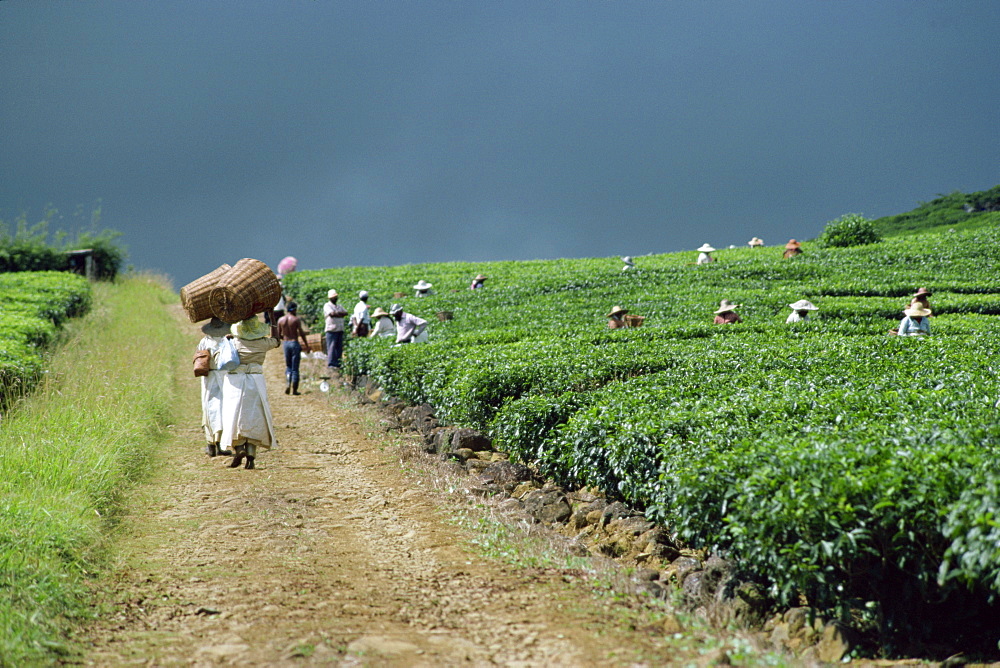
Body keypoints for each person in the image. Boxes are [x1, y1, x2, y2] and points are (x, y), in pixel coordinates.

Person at [221, 313, 280, 470]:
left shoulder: (234, 342)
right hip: (256, 383)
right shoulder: (263, 343)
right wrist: (273, 319)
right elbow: (277, 340)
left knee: (234, 416)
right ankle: (251, 458)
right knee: (254, 418)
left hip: (236, 383)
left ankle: (239, 449)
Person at [196, 317, 233, 458]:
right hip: (224, 377)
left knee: (208, 408)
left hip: (208, 377)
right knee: (223, 409)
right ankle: (221, 444)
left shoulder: (205, 341)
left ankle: (210, 444)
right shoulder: (227, 341)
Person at [276, 302, 311, 395]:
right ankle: (294, 390)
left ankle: (288, 382)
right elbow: (302, 333)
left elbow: (278, 335)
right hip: (294, 343)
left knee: (288, 366)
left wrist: (284, 339)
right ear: (294, 309)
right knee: (295, 367)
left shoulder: (281, 320)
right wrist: (306, 345)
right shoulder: (296, 320)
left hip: (286, 344)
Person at [323, 289, 348, 371]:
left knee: (338, 347)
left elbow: (346, 313)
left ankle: (338, 363)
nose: (335, 298)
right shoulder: (327, 306)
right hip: (331, 329)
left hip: (339, 329)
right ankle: (331, 364)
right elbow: (332, 314)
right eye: (333, 297)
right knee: (331, 347)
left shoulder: (339, 306)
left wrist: (338, 314)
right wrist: (340, 314)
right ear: (330, 298)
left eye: (335, 297)